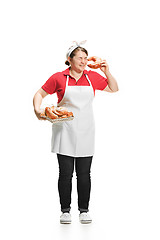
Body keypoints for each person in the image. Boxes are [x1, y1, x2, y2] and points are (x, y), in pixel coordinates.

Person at [33, 41, 119, 224]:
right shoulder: (58, 77)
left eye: (86, 58)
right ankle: (65, 211)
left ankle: (84, 210)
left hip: (86, 130)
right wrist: (37, 110)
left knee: (84, 173)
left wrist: (106, 71)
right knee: (65, 173)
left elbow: (114, 88)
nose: (84, 61)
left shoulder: (92, 77)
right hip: (64, 130)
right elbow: (39, 94)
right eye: (80, 57)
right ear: (69, 60)